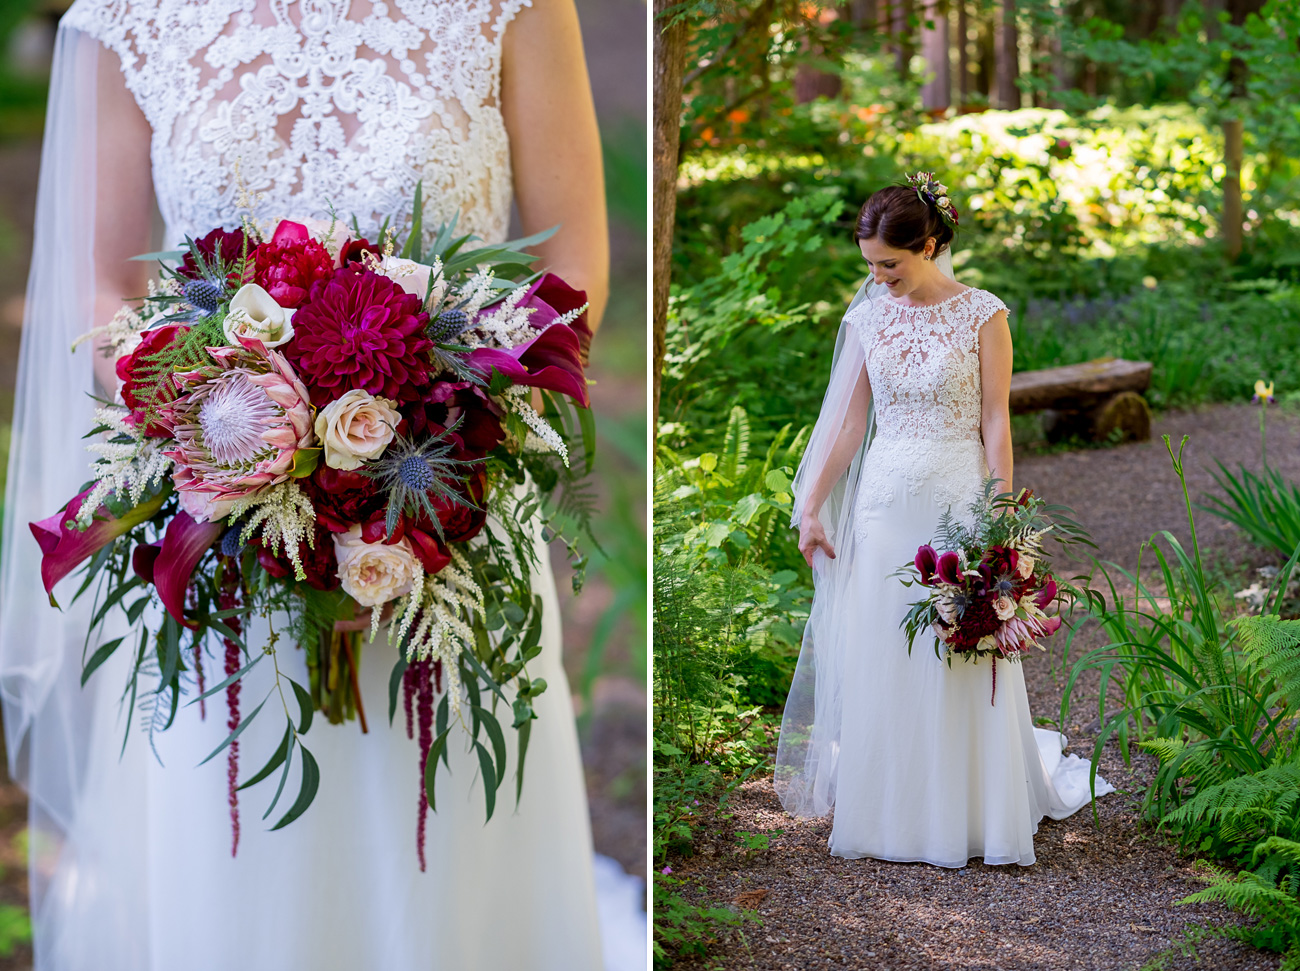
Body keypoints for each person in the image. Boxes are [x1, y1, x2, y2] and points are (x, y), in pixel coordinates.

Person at [0, 1, 629, 967]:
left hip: (450, 500)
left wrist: (435, 450)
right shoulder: (125, 19)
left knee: (441, 858)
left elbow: (571, 270)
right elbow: (98, 291)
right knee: (247, 853)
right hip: (222, 520)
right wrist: (218, 422)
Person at [774, 178, 1113, 866]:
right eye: (869, 265)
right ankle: (893, 808)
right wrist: (811, 503)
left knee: (958, 646)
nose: (878, 278)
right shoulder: (868, 318)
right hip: (885, 503)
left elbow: (995, 421)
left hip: (955, 499)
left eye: (889, 264)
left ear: (929, 245)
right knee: (887, 646)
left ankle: (971, 809)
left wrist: (1000, 520)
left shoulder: (983, 315)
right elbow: (849, 423)